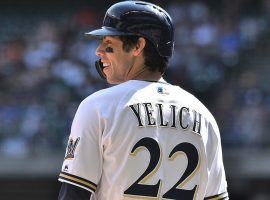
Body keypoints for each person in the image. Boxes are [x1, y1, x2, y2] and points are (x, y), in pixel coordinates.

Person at [58, 1, 229, 199]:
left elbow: (74, 195)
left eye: (108, 43)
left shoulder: (99, 106)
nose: (99, 51)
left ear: (138, 46)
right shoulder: (203, 116)